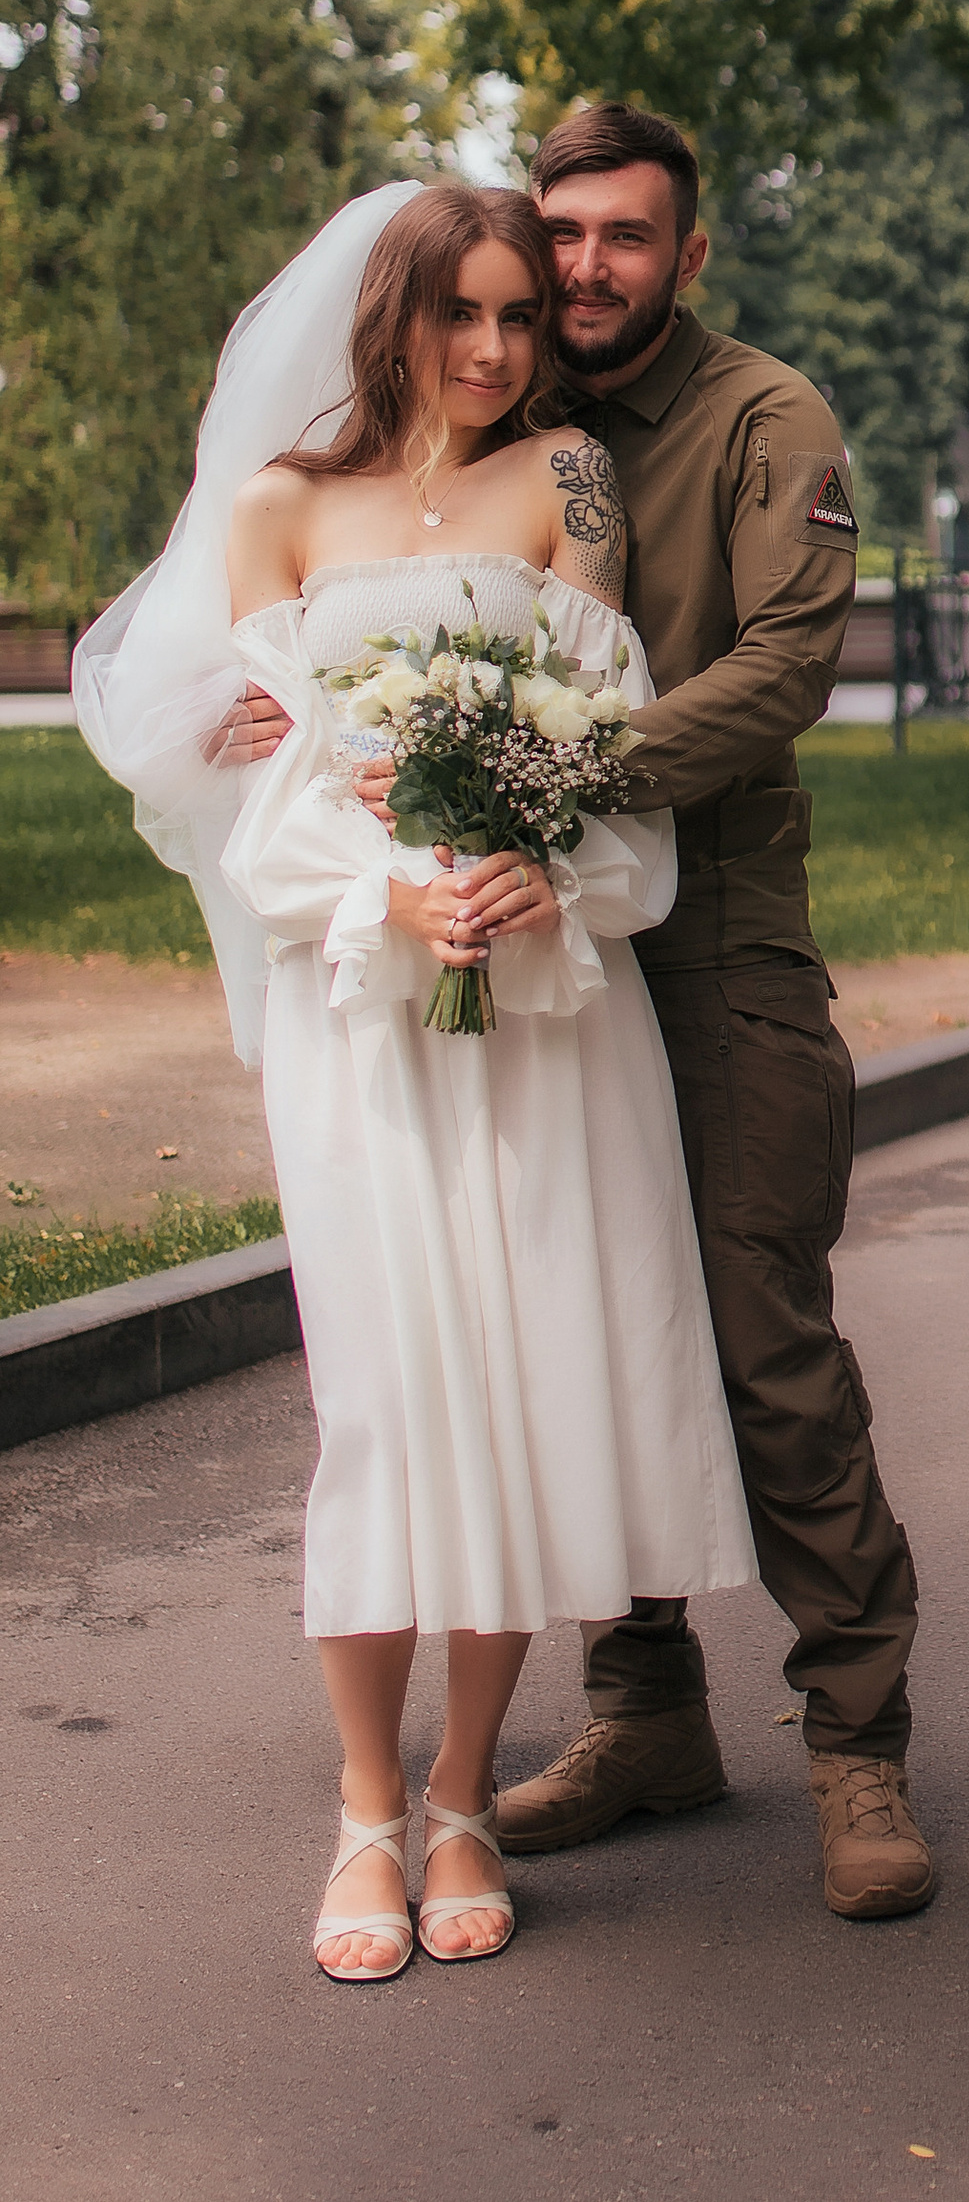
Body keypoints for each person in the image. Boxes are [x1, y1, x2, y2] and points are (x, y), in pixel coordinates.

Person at [74, 181, 754, 1984]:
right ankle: (366, 1807)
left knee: (513, 1401)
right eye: (462, 311)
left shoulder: (559, 489)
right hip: (359, 999)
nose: (496, 347)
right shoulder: (282, 510)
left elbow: (606, 752)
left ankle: (466, 1793)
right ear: (388, 315)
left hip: (540, 1002)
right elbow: (263, 798)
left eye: (522, 316)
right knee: (386, 1401)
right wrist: (388, 889)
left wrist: (547, 867)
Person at [490, 101, 930, 1921]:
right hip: (547, 948)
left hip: (721, 954)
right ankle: (646, 1716)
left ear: (687, 250)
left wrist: (557, 769)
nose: (587, 266)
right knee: (599, 1336)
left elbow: (786, 666)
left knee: (767, 1350)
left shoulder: (768, 420)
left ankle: (856, 1745)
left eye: (625, 235)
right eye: (564, 231)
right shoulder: (504, 415)